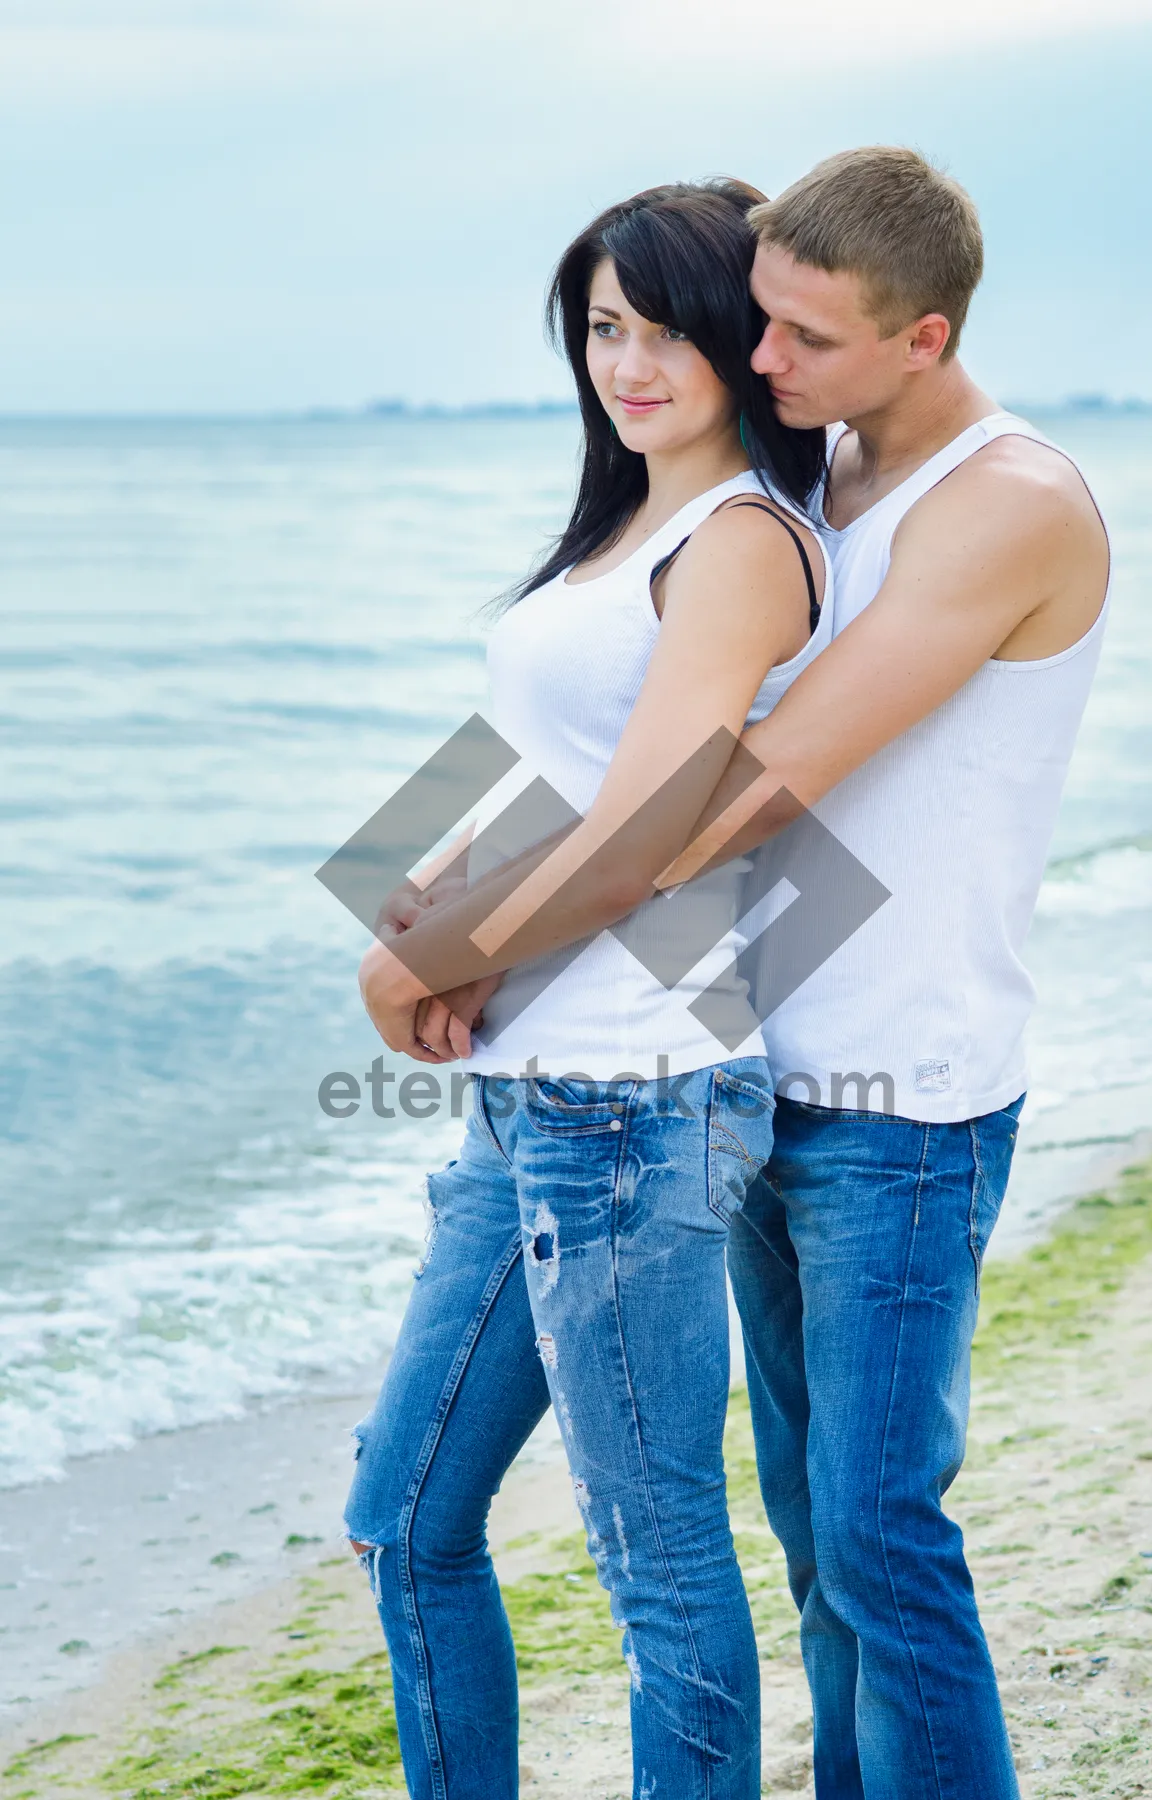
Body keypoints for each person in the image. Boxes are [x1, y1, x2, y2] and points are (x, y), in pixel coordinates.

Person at [362, 148, 1110, 1800]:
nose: (759, 363)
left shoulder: (1002, 502)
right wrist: (442, 872)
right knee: (804, 1538)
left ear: (921, 340)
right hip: (750, 1047)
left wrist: (430, 946)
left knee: (873, 1540)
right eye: (748, 322)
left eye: (798, 338)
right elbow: (608, 710)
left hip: (899, 1089)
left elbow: (730, 794)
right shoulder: (810, 477)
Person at [346, 178, 830, 1800]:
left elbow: (648, 835)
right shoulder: (627, 526)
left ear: (739, 341)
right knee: (402, 1518)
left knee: (659, 1561)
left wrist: (413, 960)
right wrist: (426, 882)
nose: (626, 363)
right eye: (601, 327)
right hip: (531, 1094)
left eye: (663, 326)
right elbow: (551, 759)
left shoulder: (746, 539)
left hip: (633, 1099)